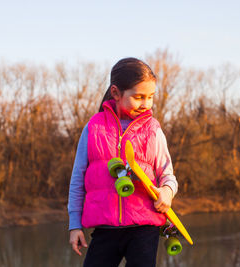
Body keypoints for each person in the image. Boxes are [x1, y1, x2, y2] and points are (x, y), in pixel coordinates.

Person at [68, 57, 178, 267]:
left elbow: (168, 175)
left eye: (150, 97)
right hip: (105, 228)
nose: (146, 104)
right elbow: (77, 179)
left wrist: (167, 192)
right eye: (138, 97)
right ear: (116, 93)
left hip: (144, 226)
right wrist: (74, 224)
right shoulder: (94, 127)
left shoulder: (153, 129)